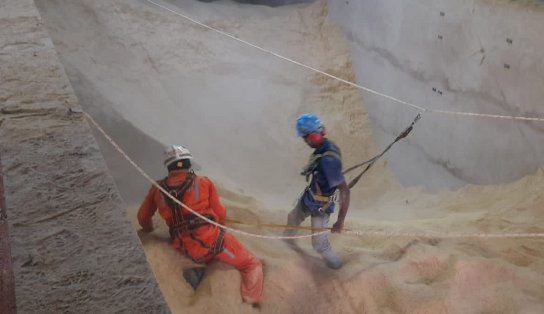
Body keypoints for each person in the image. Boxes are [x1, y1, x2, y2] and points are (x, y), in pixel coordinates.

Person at [137, 145, 263, 306]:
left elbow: (142, 217)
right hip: (213, 243)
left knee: (200, 254)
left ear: (168, 166)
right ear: (188, 163)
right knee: (251, 264)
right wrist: (220, 227)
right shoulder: (203, 182)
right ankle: (252, 301)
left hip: (181, 246)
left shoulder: (157, 189)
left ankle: (198, 271)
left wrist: (149, 230)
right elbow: (220, 213)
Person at [283, 113, 351, 269]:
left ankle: (336, 264)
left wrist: (339, 222)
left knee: (319, 244)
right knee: (293, 217)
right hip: (310, 197)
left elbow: (345, 191)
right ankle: (286, 244)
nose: (305, 141)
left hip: (322, 207)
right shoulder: (324, 147)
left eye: (305, 138)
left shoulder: (329, 160)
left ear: (312, 136)